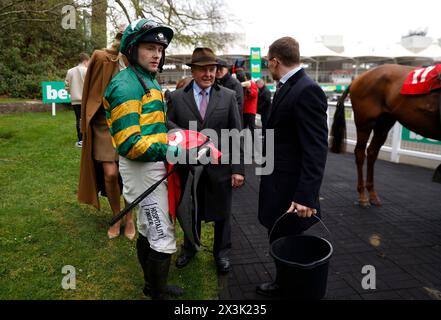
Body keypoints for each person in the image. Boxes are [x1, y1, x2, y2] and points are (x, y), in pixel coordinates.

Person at [103, 19, 183, 300]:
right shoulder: (126, 85)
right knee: (162, 235)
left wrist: (173, 134)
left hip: (150, 165)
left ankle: (152, 286)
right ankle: (157, 294)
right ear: (133, 49)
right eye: (150, 48)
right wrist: (175, 151)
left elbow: (152, 125)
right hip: (142, 167)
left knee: (149, 229)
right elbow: (129, 143)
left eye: (160, 49)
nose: (157, 55)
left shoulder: (146, 78)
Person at [256, 37, 328, 297]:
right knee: (279, 236)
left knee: (290, 239)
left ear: (275, 60)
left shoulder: (306, 89)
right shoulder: (289, 85)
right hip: (278, 181)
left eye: (268, 62)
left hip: (292, 189)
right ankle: (284, 282)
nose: (268, 66)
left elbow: (316, 148)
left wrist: (305, 196)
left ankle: (292, 287)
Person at [167, 47, 245, 274]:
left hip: (220, 168)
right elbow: (167, 126)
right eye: (203, 70)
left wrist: (238, 169)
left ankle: (221, 254)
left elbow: (237, 134)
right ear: (193, 71)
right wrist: (189, 137)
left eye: (212, 69)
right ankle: (190, 248)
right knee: (190, 211)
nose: (209, 74)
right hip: (187, 169)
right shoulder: (176, 97)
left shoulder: (228, 96)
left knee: (223, 214)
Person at [77, 27, 136, 240]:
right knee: (110, 174)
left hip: (130, 124)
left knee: (128, 174)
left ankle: (129, 219)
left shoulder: (140, 60)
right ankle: (116, 216)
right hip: (104, 124)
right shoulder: (102, 57)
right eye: (123, 37)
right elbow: (89, 92)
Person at [65, 52, 89, 147]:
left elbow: (66, 86)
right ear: (86, 61)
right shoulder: (87, 71)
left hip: (75, 100)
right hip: (86, 100)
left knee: (78, 119)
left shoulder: (70, 71)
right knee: (86, 119)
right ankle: (87, 139)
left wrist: (71, 92)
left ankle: (80, 140)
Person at [215, 59, 244, 123]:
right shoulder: (213, 83)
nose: (218, 71)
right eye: (216, 69)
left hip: (232, 122)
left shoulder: (235, 83)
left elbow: (239, 106)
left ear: (226, 69)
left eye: (221, 69)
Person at [236, 70, 258, 138]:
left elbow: (254, 94)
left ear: (246, 77)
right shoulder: (246, 85)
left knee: (252, 128)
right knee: (243, 128)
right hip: (244, 110)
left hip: (250, 110)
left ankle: (255, 142)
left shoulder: (252, 84)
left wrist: (249, 90)